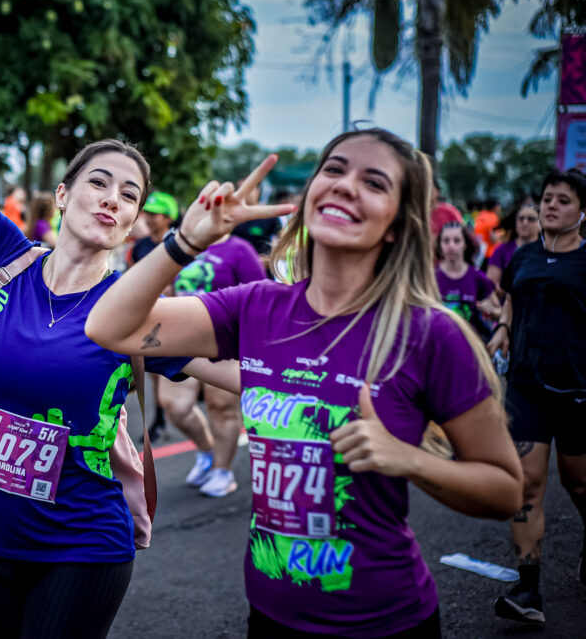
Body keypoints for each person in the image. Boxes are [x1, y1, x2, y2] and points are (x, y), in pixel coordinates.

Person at [87, 127, 523, 637]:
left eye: (374, 181)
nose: (343, 184)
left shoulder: (430, 335)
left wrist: (408, 458)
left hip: (385, 622)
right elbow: (109, 327)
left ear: (394, 226)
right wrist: (187, 242)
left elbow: (506, 490)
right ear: (311, 195)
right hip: (269, 616)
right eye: (333, 170)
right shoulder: (257, 306)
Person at [0, 0, 196, 636]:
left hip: (82, 545)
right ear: (62, 195)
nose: (112, 199)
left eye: (129, 194)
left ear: (135, 218)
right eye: (99, 182)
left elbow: (235, 362)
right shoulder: (1, 260)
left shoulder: (133, 309)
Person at [487, 168, 586, 625]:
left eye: (563, 200)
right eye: (547, 198)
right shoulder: (523, 256)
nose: (550, 206)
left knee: (578, 481)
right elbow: (510, 297)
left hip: (578, 390)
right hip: (526, 385)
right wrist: (505, 325)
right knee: (526, 483)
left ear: (582, 211)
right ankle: (528, 590)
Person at [161, 232, 266, 497]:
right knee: (175, 406)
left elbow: (260, 297)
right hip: (181, 338)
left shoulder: (239, 249)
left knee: (221, 407)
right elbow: (169, 289)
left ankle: (223, 470)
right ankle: (206, 451)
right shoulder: (181, 243)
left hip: (225, 340)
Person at [130, 190, 180, 442]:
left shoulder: (178, 244)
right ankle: (159, 419)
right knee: (151, 372)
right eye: (147, 213)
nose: (149, 218)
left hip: (175, 315)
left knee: (172, 373)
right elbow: (131, 277)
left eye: (156, 214)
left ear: (169, 217)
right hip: (147, 315)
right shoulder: (141, 245)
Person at [435, 221, 500, 339]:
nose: (451, 246)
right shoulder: (430, 277)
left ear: (465, 244)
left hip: (470, 345)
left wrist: (492, 310)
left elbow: (499, 312)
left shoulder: (477, 277)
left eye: (457, 240)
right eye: (446, 241)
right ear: (439, 245)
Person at [486, 201, 539, 293]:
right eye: (521, 218)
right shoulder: (502, 250)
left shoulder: (548, 250)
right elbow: (490, 283)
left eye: (531, 219)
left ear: (541, 224)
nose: (525, 222)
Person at [231, 186, 283, 256]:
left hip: (261, 262)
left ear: (257, 191)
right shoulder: (233, 215)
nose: (246, 194)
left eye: (249, 190)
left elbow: (281, 237)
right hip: (236, 261)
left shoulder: (267, 213)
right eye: (242, 190)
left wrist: (270, 257)